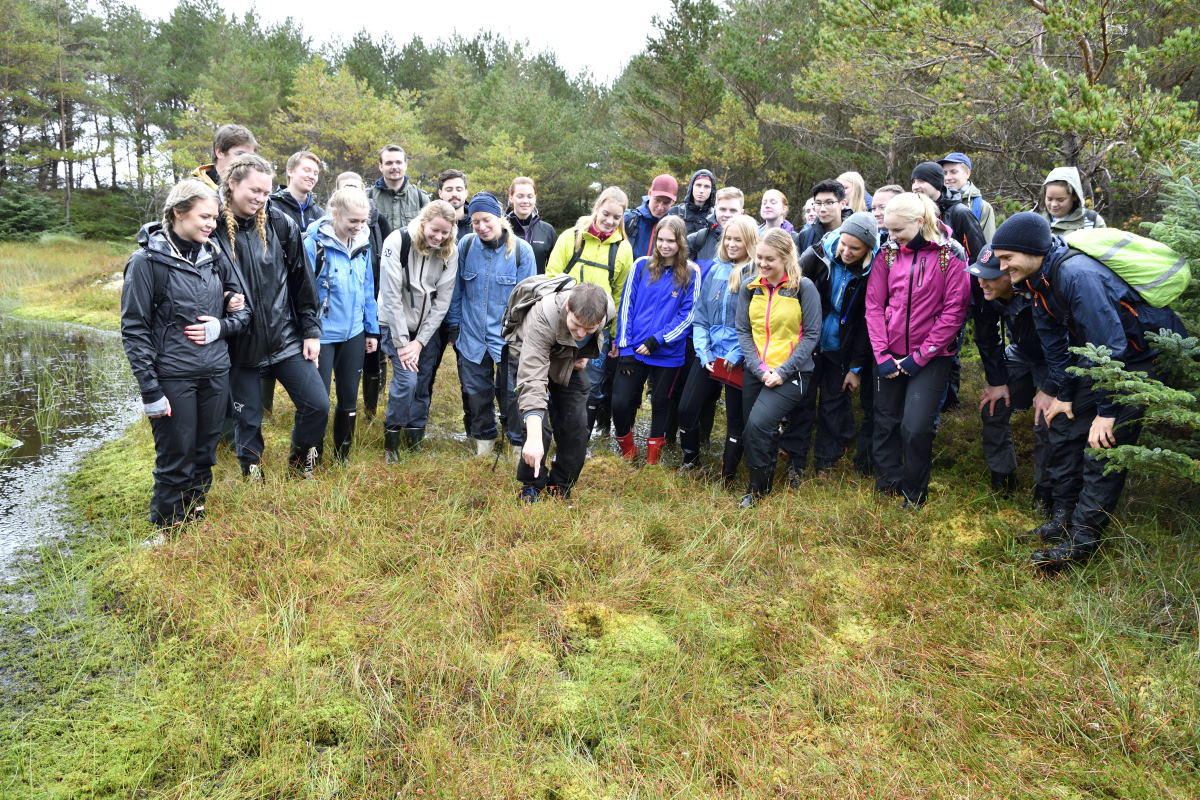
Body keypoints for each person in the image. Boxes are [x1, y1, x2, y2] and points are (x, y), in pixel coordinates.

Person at [992, 212, 1183, 570]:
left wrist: (1106, 413)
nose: (1004, 267)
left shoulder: (1078, 276)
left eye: (1008, 258)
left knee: (1101, 449)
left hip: (1130, 365)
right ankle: (1062, 519)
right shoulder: (1037, 283)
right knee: (1062, 427)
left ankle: (1083, 542)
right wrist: (1061, 393)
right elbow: (1057, 349)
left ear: (1032, 251)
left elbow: (1110, 347)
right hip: (1093, 364)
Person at [120, 179, 250, 534]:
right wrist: (150, 390)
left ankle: (194, 515)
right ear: (178, 213)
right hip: (172, 376)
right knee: (175, 455)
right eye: (204, 217)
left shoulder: (215, 255)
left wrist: (220, 327)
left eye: (214, 219)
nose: (211, 225)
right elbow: (134, 329)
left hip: (214, 372)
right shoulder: (146, 262)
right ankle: (166, 528)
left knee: (205, 452)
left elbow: (243, 312)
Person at [213, 154, 328, 479]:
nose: (260, 198)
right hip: (240, 346)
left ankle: (300, 460)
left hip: (286, 338)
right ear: (232, 185)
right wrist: (223, 299)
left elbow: (302, 283)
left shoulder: (280, 224)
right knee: (248, 418)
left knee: (317, 404)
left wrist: (311, 332)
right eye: (254, 190)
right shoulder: (213, 228)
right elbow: (200, 284)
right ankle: (251, 472)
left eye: (265, 192)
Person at [865, 192, 970, 508]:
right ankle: (888, 483)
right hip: (889, 353)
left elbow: (955, 310)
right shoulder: (888, 253)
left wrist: (920, 357)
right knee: (885, 421)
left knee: (915, 425)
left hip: (932, 357)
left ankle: (914, 491)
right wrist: (882, 355)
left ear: (920, 222)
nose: (891, 236)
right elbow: (874, 304)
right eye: (889, 230)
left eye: (898, 230)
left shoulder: (950, 255)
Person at [788, 212, 879, 477]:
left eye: (855, 248)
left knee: (833, 405)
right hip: (808, 344)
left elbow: (866, 324)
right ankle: (795, 461)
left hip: (842, 349)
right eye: (844, 244)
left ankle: (825, 463)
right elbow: (791, 294)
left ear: (868, 249)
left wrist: (856, 367)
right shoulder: (816, 256)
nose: (847, 251)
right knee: (802, 401)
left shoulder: (872, 273)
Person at [735, 229, 821, 506]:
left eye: (769, 259)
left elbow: (811, 335)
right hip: (757, 369)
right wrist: (758, 367)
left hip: (792, 372)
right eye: (759, 257)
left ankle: (757, 492)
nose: (762, 264)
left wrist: (782, 371)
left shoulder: (803, 288)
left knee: (760, 424)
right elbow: (743, 331)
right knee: (752, 428)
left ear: (786, 258)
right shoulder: (751, 287)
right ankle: (764, 479)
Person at [446, 192, 536, 456]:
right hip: (472, 335)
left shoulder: (522, 251)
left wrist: (522, 338)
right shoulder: (465, 245)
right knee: (476, 393)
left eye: (486, 220)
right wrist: (454, 326)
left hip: (507, 338)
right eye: (475, 222)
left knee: (512, 393)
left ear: (499, 217)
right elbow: (456, 290)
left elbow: (527, 300)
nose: (481, 227)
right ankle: (483, 444)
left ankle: (517, 444)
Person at [545, 186, 636, 436]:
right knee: (554, 376)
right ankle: (548, 430)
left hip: (596, 331)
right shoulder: (572, 236)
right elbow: (552, 274)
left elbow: (619, 294)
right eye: (606, 214)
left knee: (587, 383)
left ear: (622, 219)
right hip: (564, 323)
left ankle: (576, 436)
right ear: (597, 208)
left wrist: (615, 334)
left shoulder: (623, 249)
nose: (609, 221)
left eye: (616, 218)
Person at [610, 215, 701, 464]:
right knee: (620, 402)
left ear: (680, 241)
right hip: (634, 349)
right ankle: (628, 448)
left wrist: (658, 340)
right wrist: (625, 346)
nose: (664, 245)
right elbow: (626, 305)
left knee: (661, 403)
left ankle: (653, 459)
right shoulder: (641, 265)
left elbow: (688, 315)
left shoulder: (692, 272)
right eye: (660, 239)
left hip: (667, 352)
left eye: (670, 240)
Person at [513, 282, 614, 502]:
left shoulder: (608, 310)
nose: (581, 333)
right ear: (568, 307)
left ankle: (560, 485)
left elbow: (595, 336)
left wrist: (585, 352)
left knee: (577, 426)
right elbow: (532, 379)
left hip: (567, 361)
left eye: (589, 329)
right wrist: (533, 437)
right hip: (529, 358)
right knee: (539, 430)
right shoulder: (543, 316)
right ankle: (531, 485)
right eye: (576, 325)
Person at [678, 214, 758, 479]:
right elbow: (700, 316)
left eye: (738, 240)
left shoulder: (756, 274)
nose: (732, 244)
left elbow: (754, 323)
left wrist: (736, 354)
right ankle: (691, 460)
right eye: (728, 239)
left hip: (739, 357)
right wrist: (703, 351)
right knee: (687, 408)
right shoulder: (714, 268)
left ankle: (729, 473)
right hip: (709, 353)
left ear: (749, 242)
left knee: (736, 420)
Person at [376, 200, 458, 458]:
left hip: (425, 329)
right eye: (435, 230)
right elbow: (390, 297)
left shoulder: (449, 252)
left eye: (445, 232)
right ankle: (392, 439)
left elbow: (442, 301)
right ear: (424, 222)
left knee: (422, 382)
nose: (439, 237)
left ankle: (415, 436)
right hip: (394, 323)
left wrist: (420, 341)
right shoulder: (397, 242)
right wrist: (403, 344)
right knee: (406, 380)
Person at [967, 247, 1050, 501]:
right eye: (979, 275)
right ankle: (1002, 479)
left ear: (1010, 273)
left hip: (1056, 360)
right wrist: (997, 381)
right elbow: (986, 336)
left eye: (990, 277)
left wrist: (1050, 389)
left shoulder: (1041, 290)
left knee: (1047, 420)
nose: (982, 282)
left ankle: (1047, 493)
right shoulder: (984, 290)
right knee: (992, 405)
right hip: (1022, 352)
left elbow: (1065, 345)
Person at [303, 187, 379, 463]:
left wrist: (372, 330)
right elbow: (303, 293)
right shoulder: (313, 244)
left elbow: (368, 289)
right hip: (321, 335)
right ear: (335, 214)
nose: (358, 227)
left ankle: (342, 453)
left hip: (354, 333)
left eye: (362, 222)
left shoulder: (362, 244)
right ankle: (313, 454)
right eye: (352, 222)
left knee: (349, 397)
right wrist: (307, 332)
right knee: (318, 400)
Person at [335, 171, 393, 422]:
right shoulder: (325, 229)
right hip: (339, 308)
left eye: (355, 187)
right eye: (346, 187)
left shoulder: (377, 221)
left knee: (374, 355)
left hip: (373, 297)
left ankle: (371, 408)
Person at [369, 144, 429, 232]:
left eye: (398, 162)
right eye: (389, 163)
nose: (394, 167)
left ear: (405, 165)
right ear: (381, 166)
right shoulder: (368, 197)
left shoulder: (420, 197)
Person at [687, 187, 744, 275]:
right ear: (715, 209)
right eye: (723, 209)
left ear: (741, 212)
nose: (727, 215)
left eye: (733, 210)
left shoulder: (750, 243)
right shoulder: (697, 239)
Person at [938, 153, 996, 240]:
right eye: (945, 173)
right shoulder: (935, 203)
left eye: (953, 172)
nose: (948, 177)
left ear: (967, 173)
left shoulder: (982, 207)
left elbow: (988, 246)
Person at [506, 176, 557, 273]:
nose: (525, 201)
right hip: (507, 288)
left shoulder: (547, 230)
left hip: (537, 287)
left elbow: (555, 269)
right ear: (511, 197)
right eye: (520, 196)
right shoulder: (501, 229)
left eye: (530, 196)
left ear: (535, 198)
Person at [1037, 166, 1106, 235]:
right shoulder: (1035, 221)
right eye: (1049, 199)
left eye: (1060, 200)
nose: (1053, 204)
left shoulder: (1091, 221)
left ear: (1074, 196)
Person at [624, 174, 679, 259]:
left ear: (673, 202)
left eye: (666, 203)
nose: (660, 207)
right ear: (649, 193)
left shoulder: (674, 227)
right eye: (657, 200)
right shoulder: (629, 219)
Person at [270, 150, 325, 231]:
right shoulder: (271, 207)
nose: (312, 176)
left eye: (315, 173)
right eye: (307, 170)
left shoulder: (319, 214)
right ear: (290, 171)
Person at [191, 123, 256, 189]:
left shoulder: (258, 191)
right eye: (240, 154)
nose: (248, 161)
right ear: (219, 152)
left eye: (251, 156)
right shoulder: (194, 190)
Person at [796, 179, 852, 253]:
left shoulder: (854, 233)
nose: (822, 209)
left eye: (829, 203)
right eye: (818, 203)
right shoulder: (805, 236)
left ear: (842, 204)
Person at [669, 169, 717, 234]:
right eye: (698, 185)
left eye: (706, 187)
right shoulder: (674, 212)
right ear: (692, 187)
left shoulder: (715, 217)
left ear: (712, 190)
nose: (701, 190)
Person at [436, 168, 472, 240]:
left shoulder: (477, 224)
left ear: (466, 193)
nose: (454, 194)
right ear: (440, 193)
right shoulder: (431, 223)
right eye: (449, 190)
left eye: (459, 189)